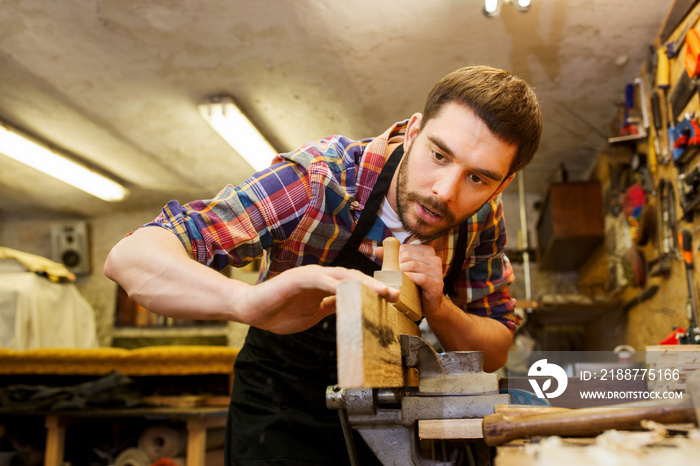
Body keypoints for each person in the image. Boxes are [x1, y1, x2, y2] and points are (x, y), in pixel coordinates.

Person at [104, 65, 542, 465]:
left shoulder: (482, 216)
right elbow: (130, 258)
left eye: (478, 178)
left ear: (502, 183)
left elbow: (496, 347)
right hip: (279, 406)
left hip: (385, 410)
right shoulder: (320, 179)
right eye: (439, 155)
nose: (445, 192)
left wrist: (440, 307)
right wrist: (247, 302)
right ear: (413, 131)